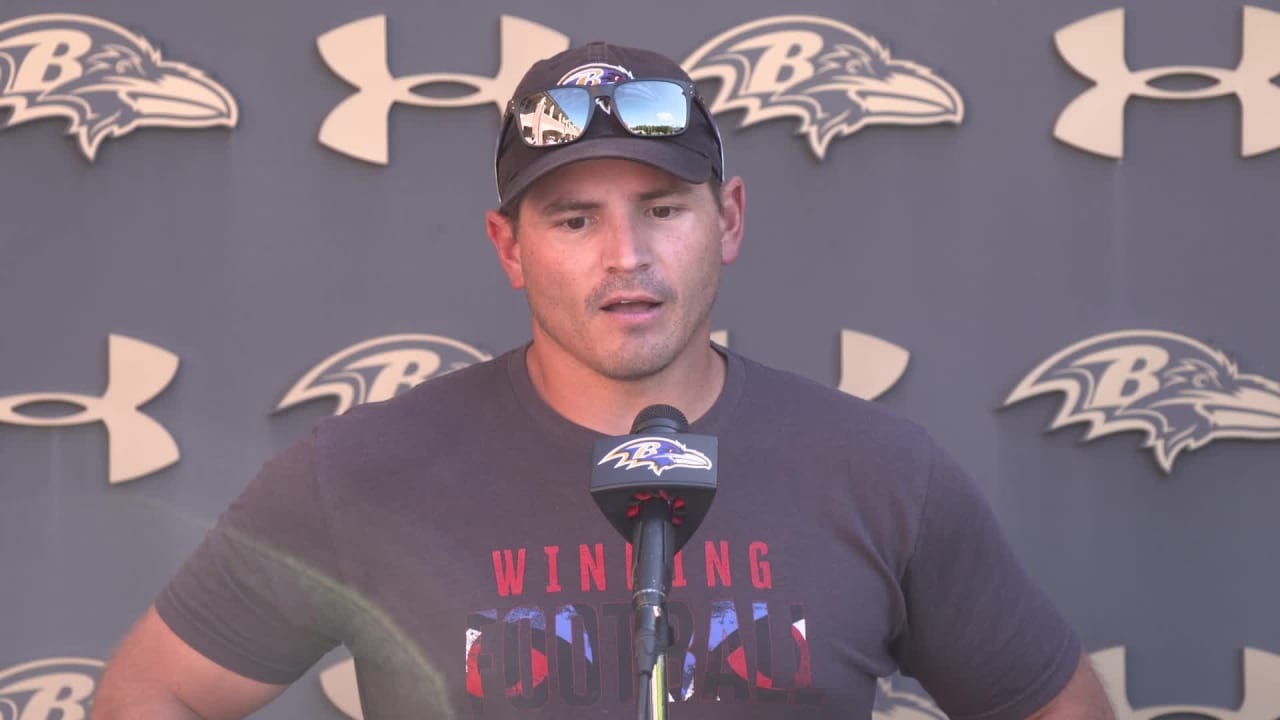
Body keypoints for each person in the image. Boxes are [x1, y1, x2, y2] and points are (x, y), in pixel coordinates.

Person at [91, 42, 1114, 719]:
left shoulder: (878, 471)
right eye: (573, 218)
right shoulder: (364, 471)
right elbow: (150, 698)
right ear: (509, 246)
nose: (624, 254)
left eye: (663, 207)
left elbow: (1052, 707)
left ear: (731, 220)